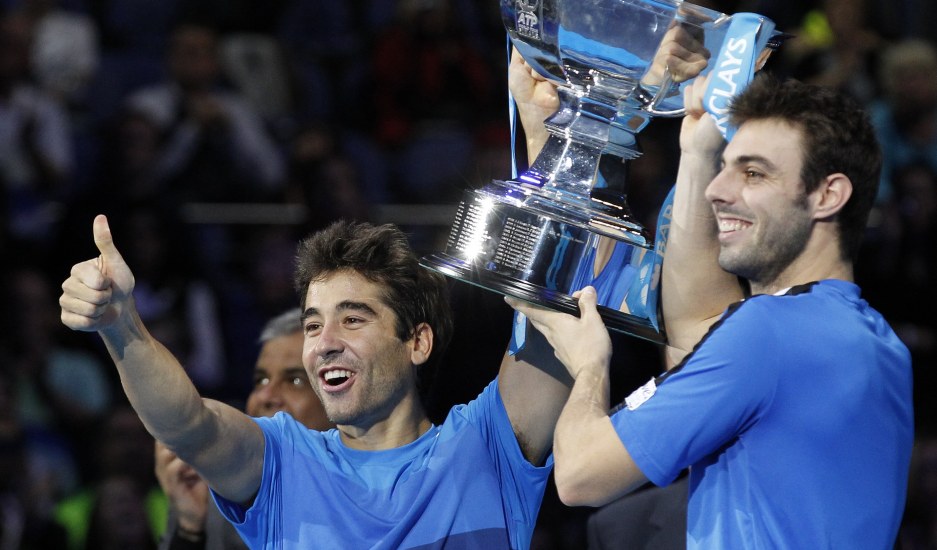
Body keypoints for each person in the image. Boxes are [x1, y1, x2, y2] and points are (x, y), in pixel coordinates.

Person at [507, 69, 915, 547]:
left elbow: (580, 475)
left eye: (754, 173)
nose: (717, 190)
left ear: (828, 195)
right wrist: (698, 152)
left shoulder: (771, 333)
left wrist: (590, 367)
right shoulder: (871, 340)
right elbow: (699, 325)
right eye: (725, 167)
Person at [59, 215, 570, 549]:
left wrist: (545, 128)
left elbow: (555, 318)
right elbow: (186, 422)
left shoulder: (486, 446)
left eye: (352, 319)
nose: (323, 342)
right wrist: (120, 323)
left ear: (417, 342)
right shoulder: (281, 462)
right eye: (311, 323)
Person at [155, 308, 332, 550]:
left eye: (295, 380)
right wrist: (189, 528)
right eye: (261, 380)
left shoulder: (371, 494)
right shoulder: (211, 493)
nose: (265, 396)